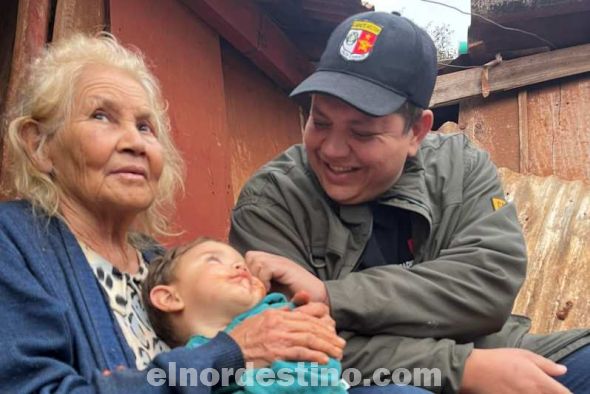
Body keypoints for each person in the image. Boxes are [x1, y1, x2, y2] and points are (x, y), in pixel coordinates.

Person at [229, 11, 590, 394]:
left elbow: (488, 282)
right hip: (354, 380)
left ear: (417, 131)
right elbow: (288, 347)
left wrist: (331, 297)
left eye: (362, 133)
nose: (332, 149)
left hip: (490, 351)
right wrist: (459, 369)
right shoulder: (271, 201)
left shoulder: (461, 167)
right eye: (319, 122)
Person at [0, 33, 345, 393]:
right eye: (101, 116)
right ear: (39, 144)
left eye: (145, 127)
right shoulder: (13, 244)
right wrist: (232, 352)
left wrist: (293, 332)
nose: (135, 143)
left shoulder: (161, 263)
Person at [142, 237, 350, 393]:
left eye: (243, 264)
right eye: (213, 260)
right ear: (169, 298)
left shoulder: (280, 317)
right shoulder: (182, 366)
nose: (241, 266)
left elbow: (314, 374)